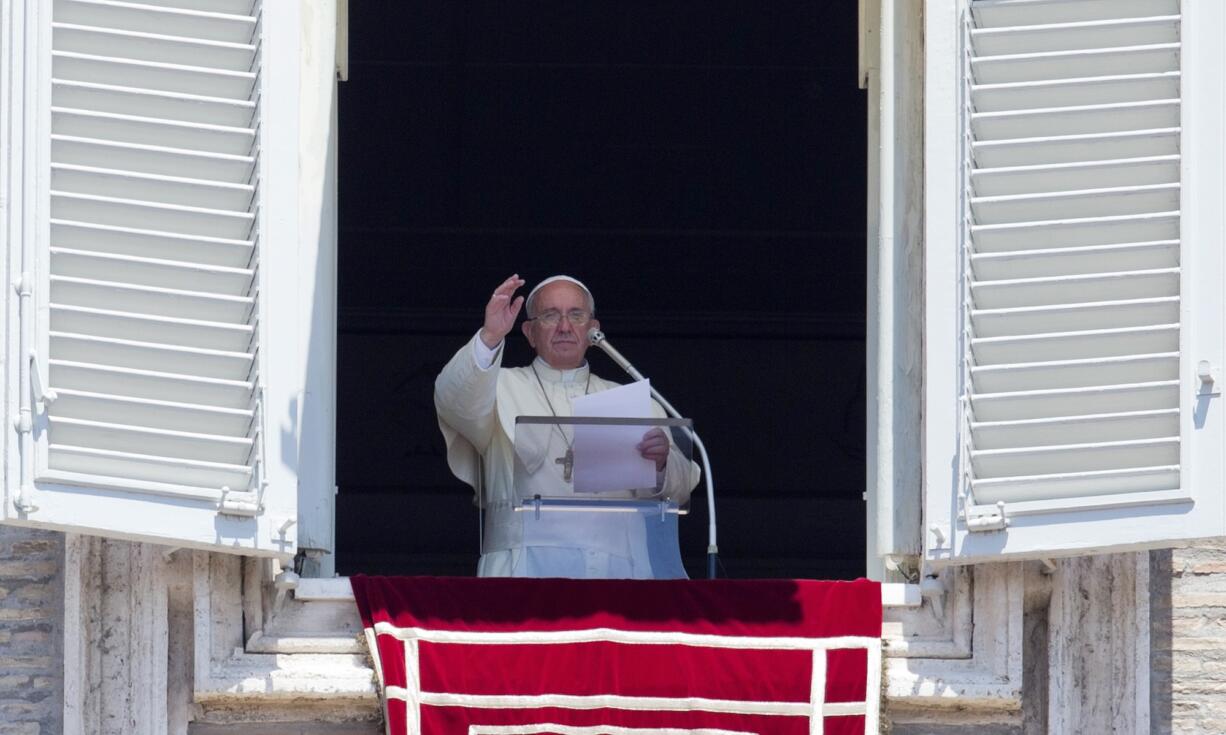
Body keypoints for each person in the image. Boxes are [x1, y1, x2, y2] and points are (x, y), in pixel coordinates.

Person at [434, 274, 698, 578]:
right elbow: (453, 401)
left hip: (616, 572)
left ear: (593, 329)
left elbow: (680, 490)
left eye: (576, 315)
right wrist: (490, 337)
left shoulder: (634, 401)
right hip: (522, 568)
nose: (564, 326)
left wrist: (662, 465)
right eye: (550, 315)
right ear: (530, 333)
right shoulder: (495, 387)